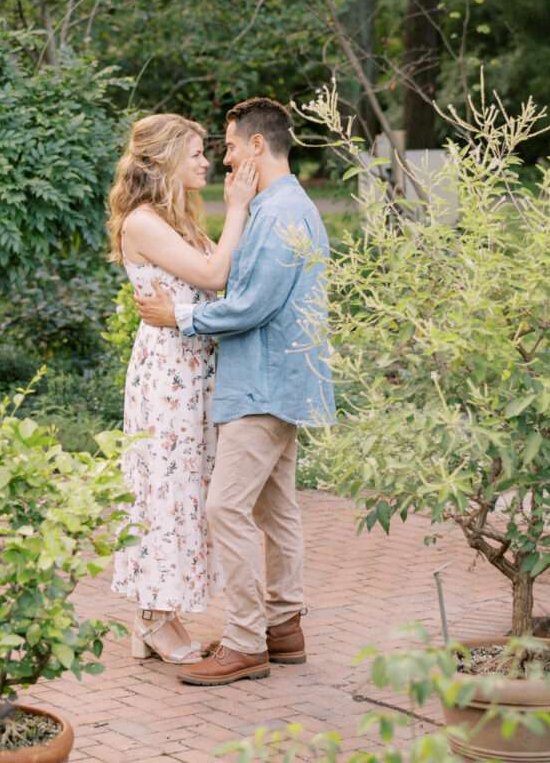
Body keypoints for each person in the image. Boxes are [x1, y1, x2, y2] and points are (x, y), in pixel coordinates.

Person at [135, 97, 335, 686]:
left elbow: (251, 304)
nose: (223, 160)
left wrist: (182, 317)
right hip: (273, 380)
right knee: (276, 509)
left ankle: (248, 641)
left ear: (255, 146)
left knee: (226, 508)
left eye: (227, 146)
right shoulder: (278, 208)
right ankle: (282, 628)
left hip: (263, 384)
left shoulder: (280, 214)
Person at [107, 113, 257, 664]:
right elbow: (216, 276)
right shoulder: (143, 223)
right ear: (165, 157)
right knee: (163, 490)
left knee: (189, 489)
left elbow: (223, 276)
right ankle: (153, 618)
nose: (206, 161)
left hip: (193, 368)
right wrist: (238, 206)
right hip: (167, 374)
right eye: (195, 152)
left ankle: (157, 614)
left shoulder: (180, 220)